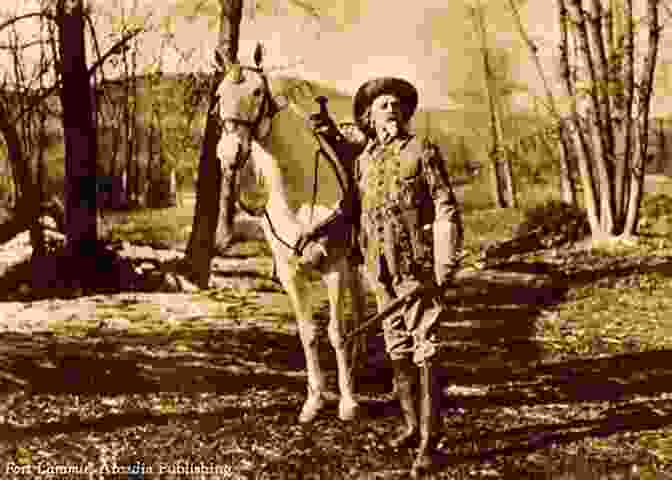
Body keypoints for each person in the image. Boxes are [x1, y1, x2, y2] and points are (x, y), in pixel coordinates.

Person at [306, 77, 463, 477]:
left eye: (396, 104)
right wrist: (314, 234)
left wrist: (444, 264)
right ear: (368, 118)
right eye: (382, 106)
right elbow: (351, 211)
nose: (391, 110)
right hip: (379, 269)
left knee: (425, 346)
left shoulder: (421, 151)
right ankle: (411, 427)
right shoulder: (364, 161)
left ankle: (431, 441)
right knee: (396, 346)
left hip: (417, 269)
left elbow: (446, 207)